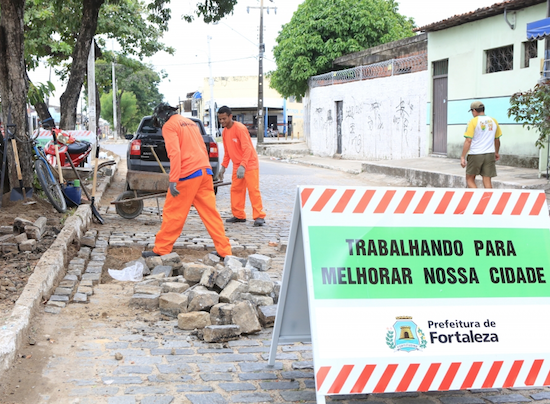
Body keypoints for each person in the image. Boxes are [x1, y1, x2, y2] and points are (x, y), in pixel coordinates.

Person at [142, 103, 232, 258]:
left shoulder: (169, 126)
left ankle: (161, 249)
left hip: (188, 174)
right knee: (211, 214)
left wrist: (173, 179)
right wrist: (208, 169)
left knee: (173, 212)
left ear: (162, 116)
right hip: (204, 171)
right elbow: (201, 147)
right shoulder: (190, 123)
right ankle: (225, 251)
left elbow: (175, 153)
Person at [217, 106, 266, 226]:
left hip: (249, 164)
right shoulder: (224, 132)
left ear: (230, 116)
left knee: (253, 190)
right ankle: (239, 215)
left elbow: (247, 149)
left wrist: (243, 166)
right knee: (236, 189)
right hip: (237, 165)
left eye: (224, 119)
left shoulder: (240, 129)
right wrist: (223, 167)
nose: (222, 121)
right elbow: (228, 152)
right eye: (220, 119)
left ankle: (259, 216)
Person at [460, 101, 502, 188]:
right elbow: (497, 139)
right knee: (487, 180)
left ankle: (477, 198)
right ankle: (489, 199)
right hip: (490, 153)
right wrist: (496, 152)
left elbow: (468, 140)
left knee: (470, 179)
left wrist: (463, 156)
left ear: (474, 110)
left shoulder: (472, 122)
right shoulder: (493, 121)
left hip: (475, 154)